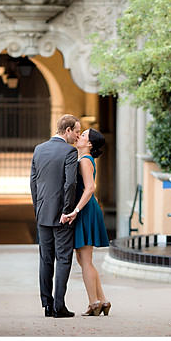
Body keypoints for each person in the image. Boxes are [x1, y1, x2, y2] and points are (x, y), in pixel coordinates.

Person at [30, 113, 80, 318]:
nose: (77, 136)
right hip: (62, 216)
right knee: (64, 259)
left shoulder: (39, 149)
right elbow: (70, 184)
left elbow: (33, 182)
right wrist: (67, 211)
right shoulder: (70, 152)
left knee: (46, 259)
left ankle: (47, 305)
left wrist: (38, 208)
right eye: (76, 132)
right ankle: (59, 306)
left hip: (43, 213)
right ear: (67, 130)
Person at [62, 128, 111, 316]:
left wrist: (75, 210)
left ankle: (94, 302)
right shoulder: (84, 159)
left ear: (89, 144)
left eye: (83, 135)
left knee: (85, 259)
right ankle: (102, 300)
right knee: (84, 259)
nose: (79, 136)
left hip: (84, 210)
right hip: (87, 209)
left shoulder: (84, 160)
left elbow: (90, 188)